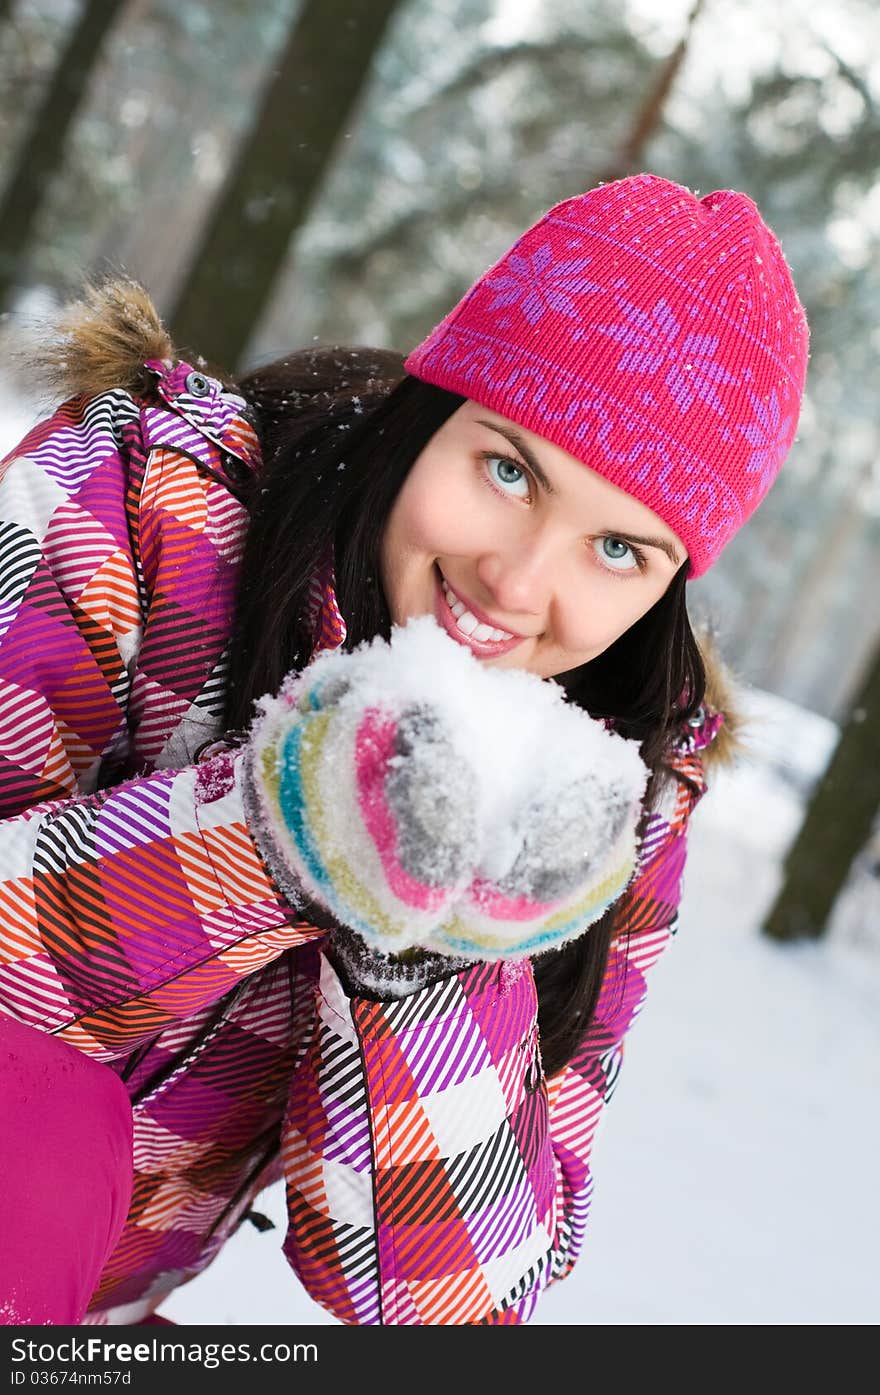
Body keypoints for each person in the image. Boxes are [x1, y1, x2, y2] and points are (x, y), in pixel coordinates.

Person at [0, 171, 809, 1326]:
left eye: (619, 550)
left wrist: (427, 946)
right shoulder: (138, 511)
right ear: (431, 413)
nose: (520, 584)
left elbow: (453, 1306)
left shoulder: (610, 801)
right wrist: (288, 829)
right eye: (509, 470)